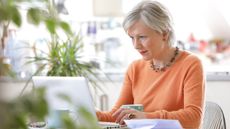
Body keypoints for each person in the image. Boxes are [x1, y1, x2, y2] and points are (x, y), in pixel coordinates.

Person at [96, 1, 205, 129]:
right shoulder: (135, 68)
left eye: (142, 37)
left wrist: (145, 117)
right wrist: (94, 114)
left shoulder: (191, 64)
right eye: (132, 38)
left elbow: (193, 119)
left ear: (164, 33)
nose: (136, 45)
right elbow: (117, 116)